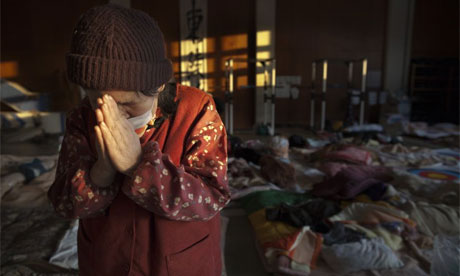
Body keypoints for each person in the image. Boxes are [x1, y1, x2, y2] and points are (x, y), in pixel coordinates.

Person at [48, 4, 231, 276]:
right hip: (107, 260)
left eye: (127, 105)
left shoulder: (196, 110)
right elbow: (64, 203)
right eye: (100, 102)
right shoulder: (81, 119)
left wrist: (138, 166)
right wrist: (101, 172)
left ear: (158, 85)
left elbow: (212, 198)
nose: (115, 117)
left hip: (180, 263)